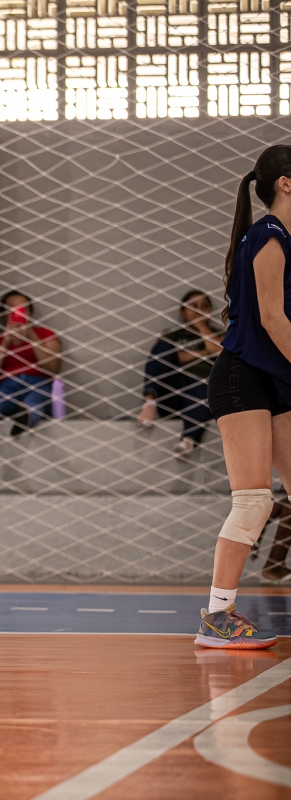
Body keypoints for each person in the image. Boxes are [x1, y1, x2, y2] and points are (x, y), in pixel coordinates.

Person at [196, 146, 291, 650]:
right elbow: (272, 320)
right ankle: (217, 616)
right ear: (286, 183)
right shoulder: (268, 233)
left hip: (277, 378)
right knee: (254, 500)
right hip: (243, 377)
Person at [0, 291, 63, 445]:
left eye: (22, 309)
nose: (17, 313)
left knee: (35, 399)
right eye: (11, 309)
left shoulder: (46, 334)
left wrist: (31, 336)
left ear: (30, 312)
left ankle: (24, 417)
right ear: (3, 315)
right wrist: (5, 342)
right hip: (7, 386)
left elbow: (53, 369)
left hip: (39, 383)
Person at [138, 290, 222, 456]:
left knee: (204, 386)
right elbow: (170, 358)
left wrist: (201, 326)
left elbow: (220, 351)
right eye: (194, 306)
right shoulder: (172, 336)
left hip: (202, 395)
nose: (199, 310)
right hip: (173, 392)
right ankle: (149, 403)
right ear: (183, 312)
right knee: (165, 347)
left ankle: (188, 440)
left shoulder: (219, 334)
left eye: (204, 306)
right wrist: (204, 352)